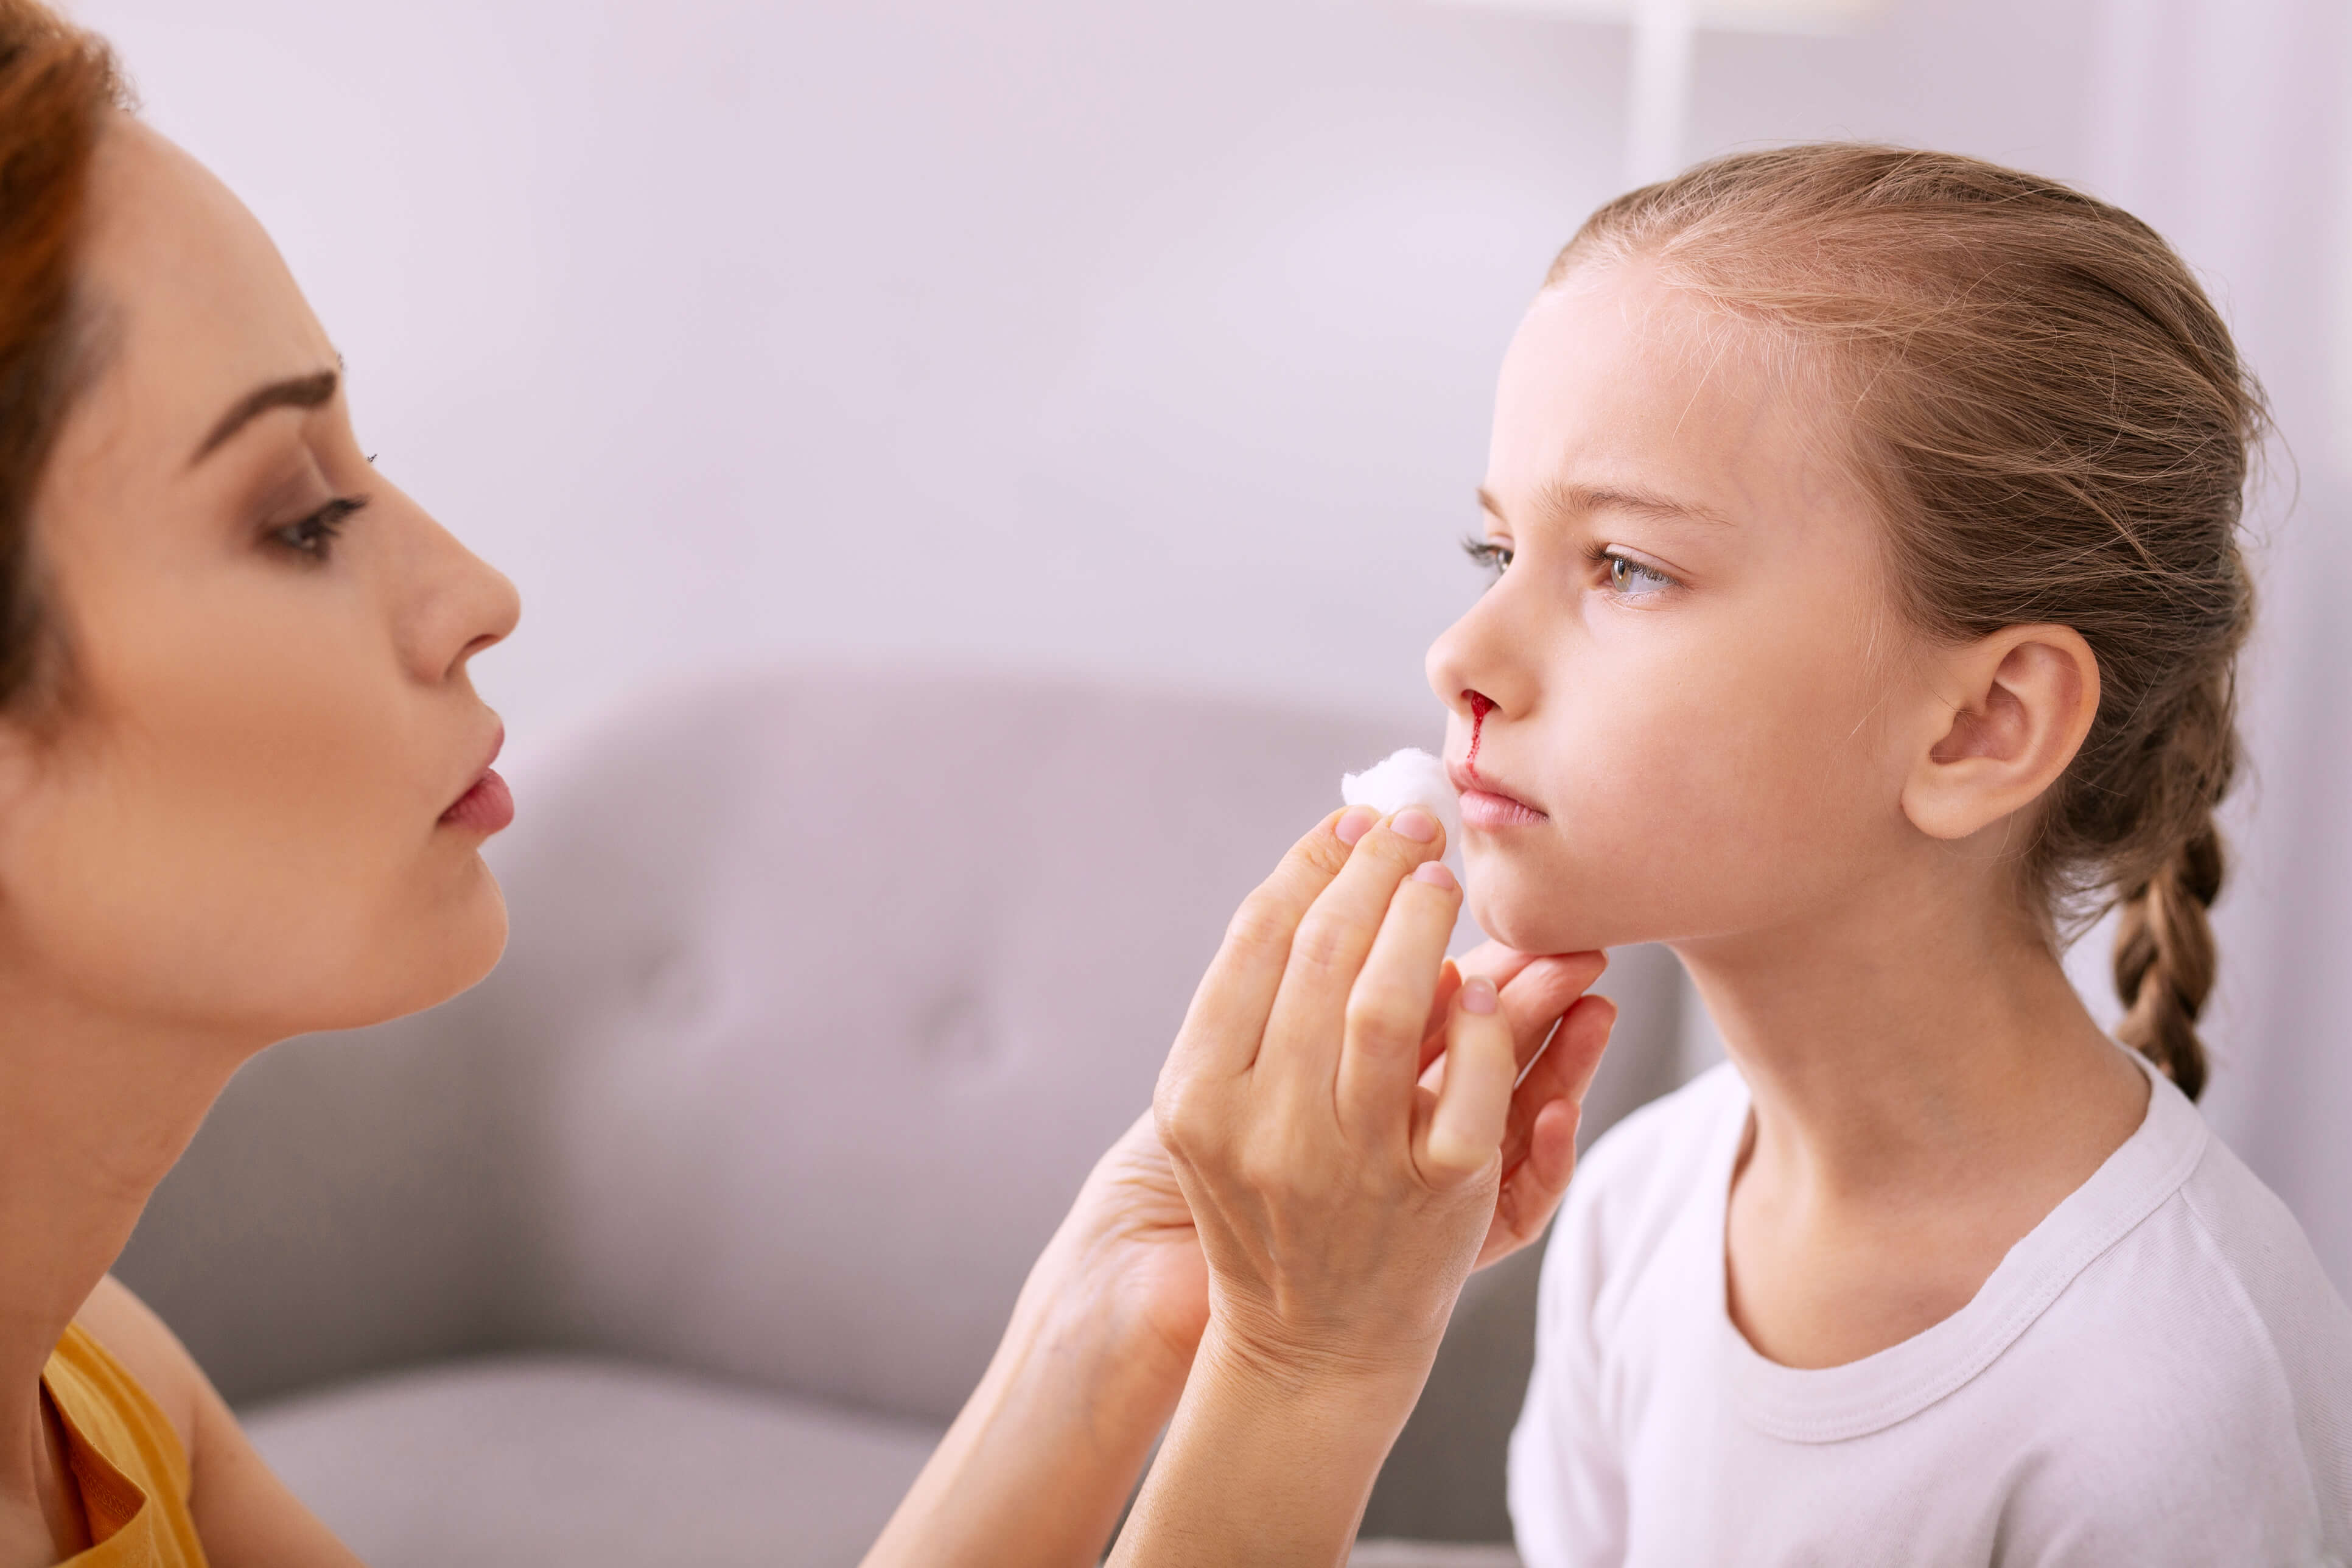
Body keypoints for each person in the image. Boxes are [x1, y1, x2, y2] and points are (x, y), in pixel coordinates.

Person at [0, 5, 1614, 1564]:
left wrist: (1117, 1308)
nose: (476, 589)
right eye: (297, 516)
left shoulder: (92, 1388)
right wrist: (1310, 1369)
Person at [1443, 146, 2352, 1564]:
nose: (1463, 658)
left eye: (1626, 565)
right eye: (1493, 551)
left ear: (1983, 723)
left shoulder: (2169, 1397)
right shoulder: (1638, 1204)